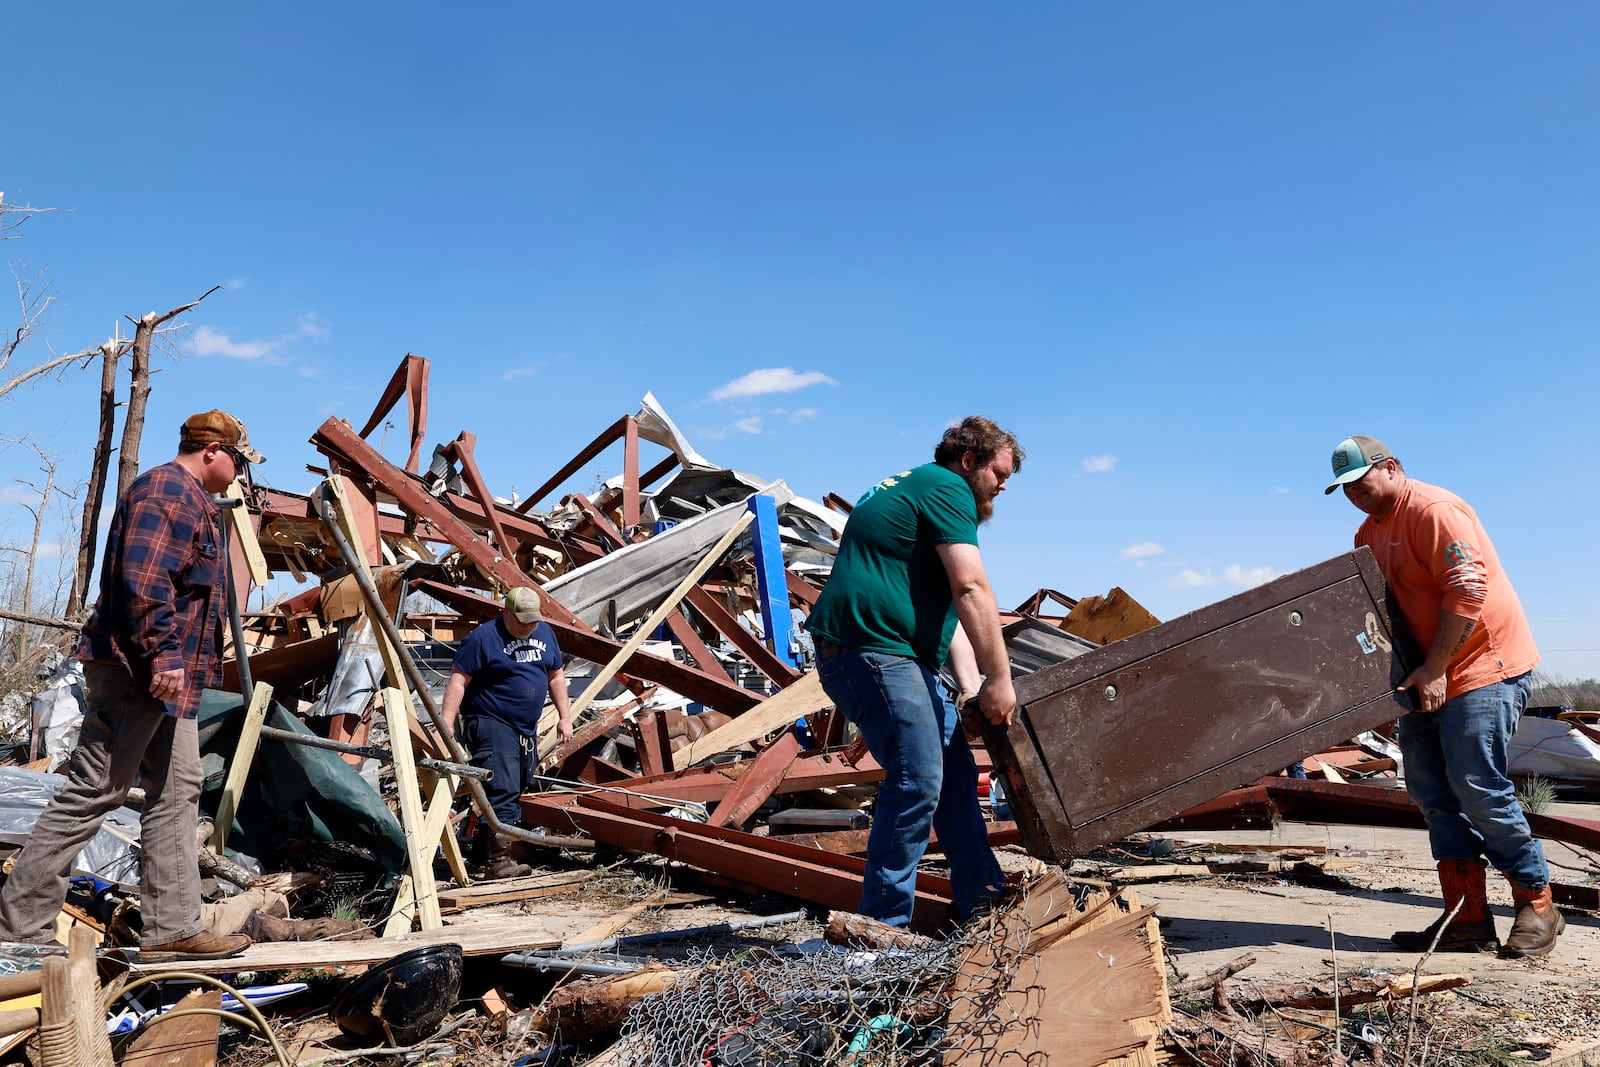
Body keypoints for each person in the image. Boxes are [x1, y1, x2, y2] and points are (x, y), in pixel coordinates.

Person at [0, 410, 264, 961]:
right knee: (96, 789)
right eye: (239, 459)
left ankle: (172, 930)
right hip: (138, 672)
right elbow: (143, 583)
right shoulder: (167, 491)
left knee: (178, 789)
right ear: (213, 450)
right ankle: (21, 927)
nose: (241, 470)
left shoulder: (193, 499)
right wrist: (164, 656)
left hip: (170, 681)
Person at [1326, 434, 1559, 957]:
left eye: (1360, 482)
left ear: (1391, 468)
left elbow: (1468, 590)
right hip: (1425, 674)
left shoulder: (1434, 510)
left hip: (1482, 666)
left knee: (1476, 783)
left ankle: (1538, 903)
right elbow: (1376, 620)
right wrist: (1380, 697)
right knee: (1431, 792)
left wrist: (1435, 667)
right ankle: (1467, 919)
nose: (1354, 494)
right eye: (1343, 488)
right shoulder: (1367, 532)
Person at [805, 415, 1022, 929]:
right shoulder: (949, 487)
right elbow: (972, 588)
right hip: (874, 651)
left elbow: (949, 613)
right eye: (1000, 472)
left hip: (892, 654)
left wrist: (971, 687)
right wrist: (1001, 678)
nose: (1005, 484)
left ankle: (984, 908)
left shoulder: (916, 486)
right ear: (969, 461)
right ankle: (880, 933)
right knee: (919, 777)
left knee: (953, 776)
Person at [439, 586, 573, 879]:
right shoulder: (483, 639)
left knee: (521, 780)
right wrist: (446, 722)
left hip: (525, 727)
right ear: (505, 613)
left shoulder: (545, 633)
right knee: (503, 786)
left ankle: (480, 852)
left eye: (532, 620)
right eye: (521, 620)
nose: (528, 626)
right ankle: (498, 862)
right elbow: (459, 680)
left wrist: (565, 717)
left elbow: (556, 676)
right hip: (489, 720)